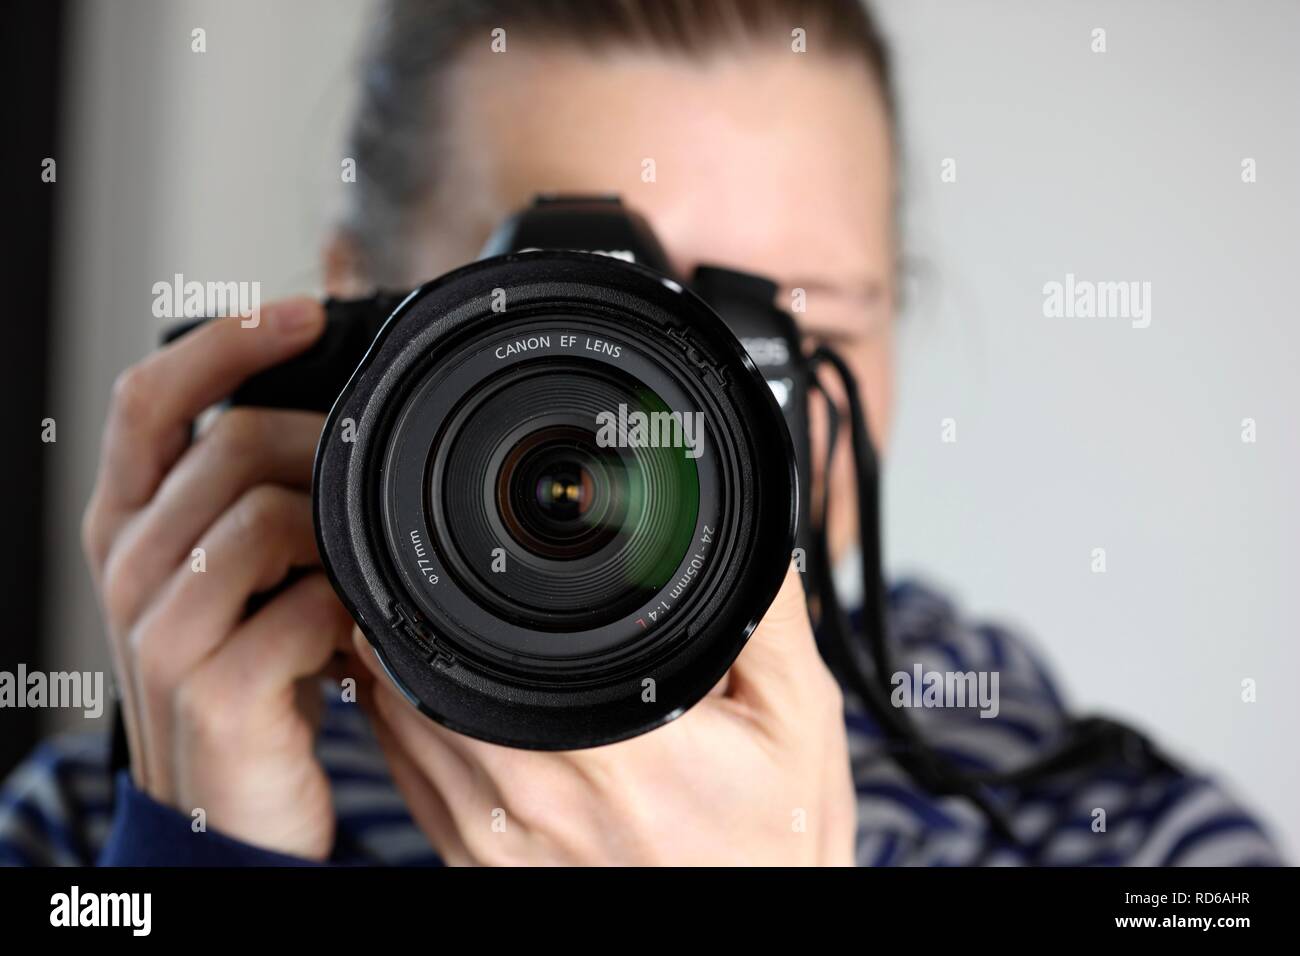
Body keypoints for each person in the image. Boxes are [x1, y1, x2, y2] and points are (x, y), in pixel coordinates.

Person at [0, 0, 1281, 866]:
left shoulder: (1108, 833)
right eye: (564, 331)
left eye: (776, 321)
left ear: (883, 332)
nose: (664, 429)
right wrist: (200, 855)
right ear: (353, 329)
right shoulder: (90, 826)